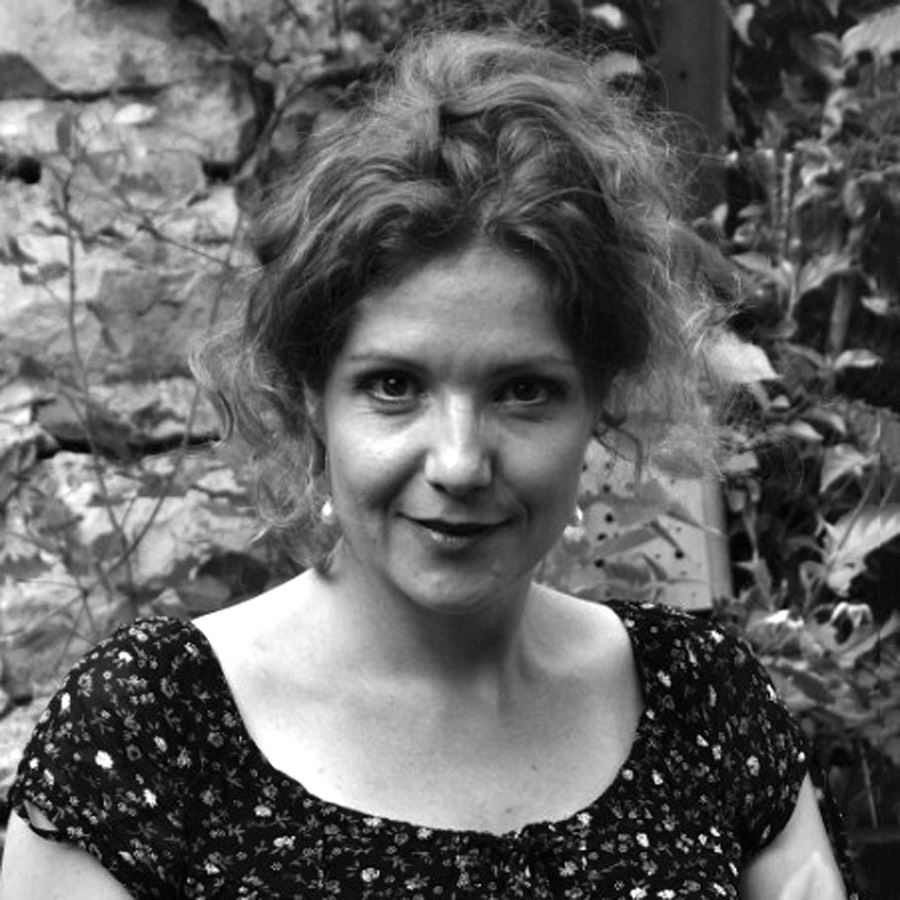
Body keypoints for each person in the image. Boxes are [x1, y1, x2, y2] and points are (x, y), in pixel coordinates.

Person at [1, 27, 852, 900]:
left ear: (599, 403)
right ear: (311, 397)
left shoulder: (701, 704)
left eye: (524, 391)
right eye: (394, 386)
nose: (459, 462)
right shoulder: (150, 733)